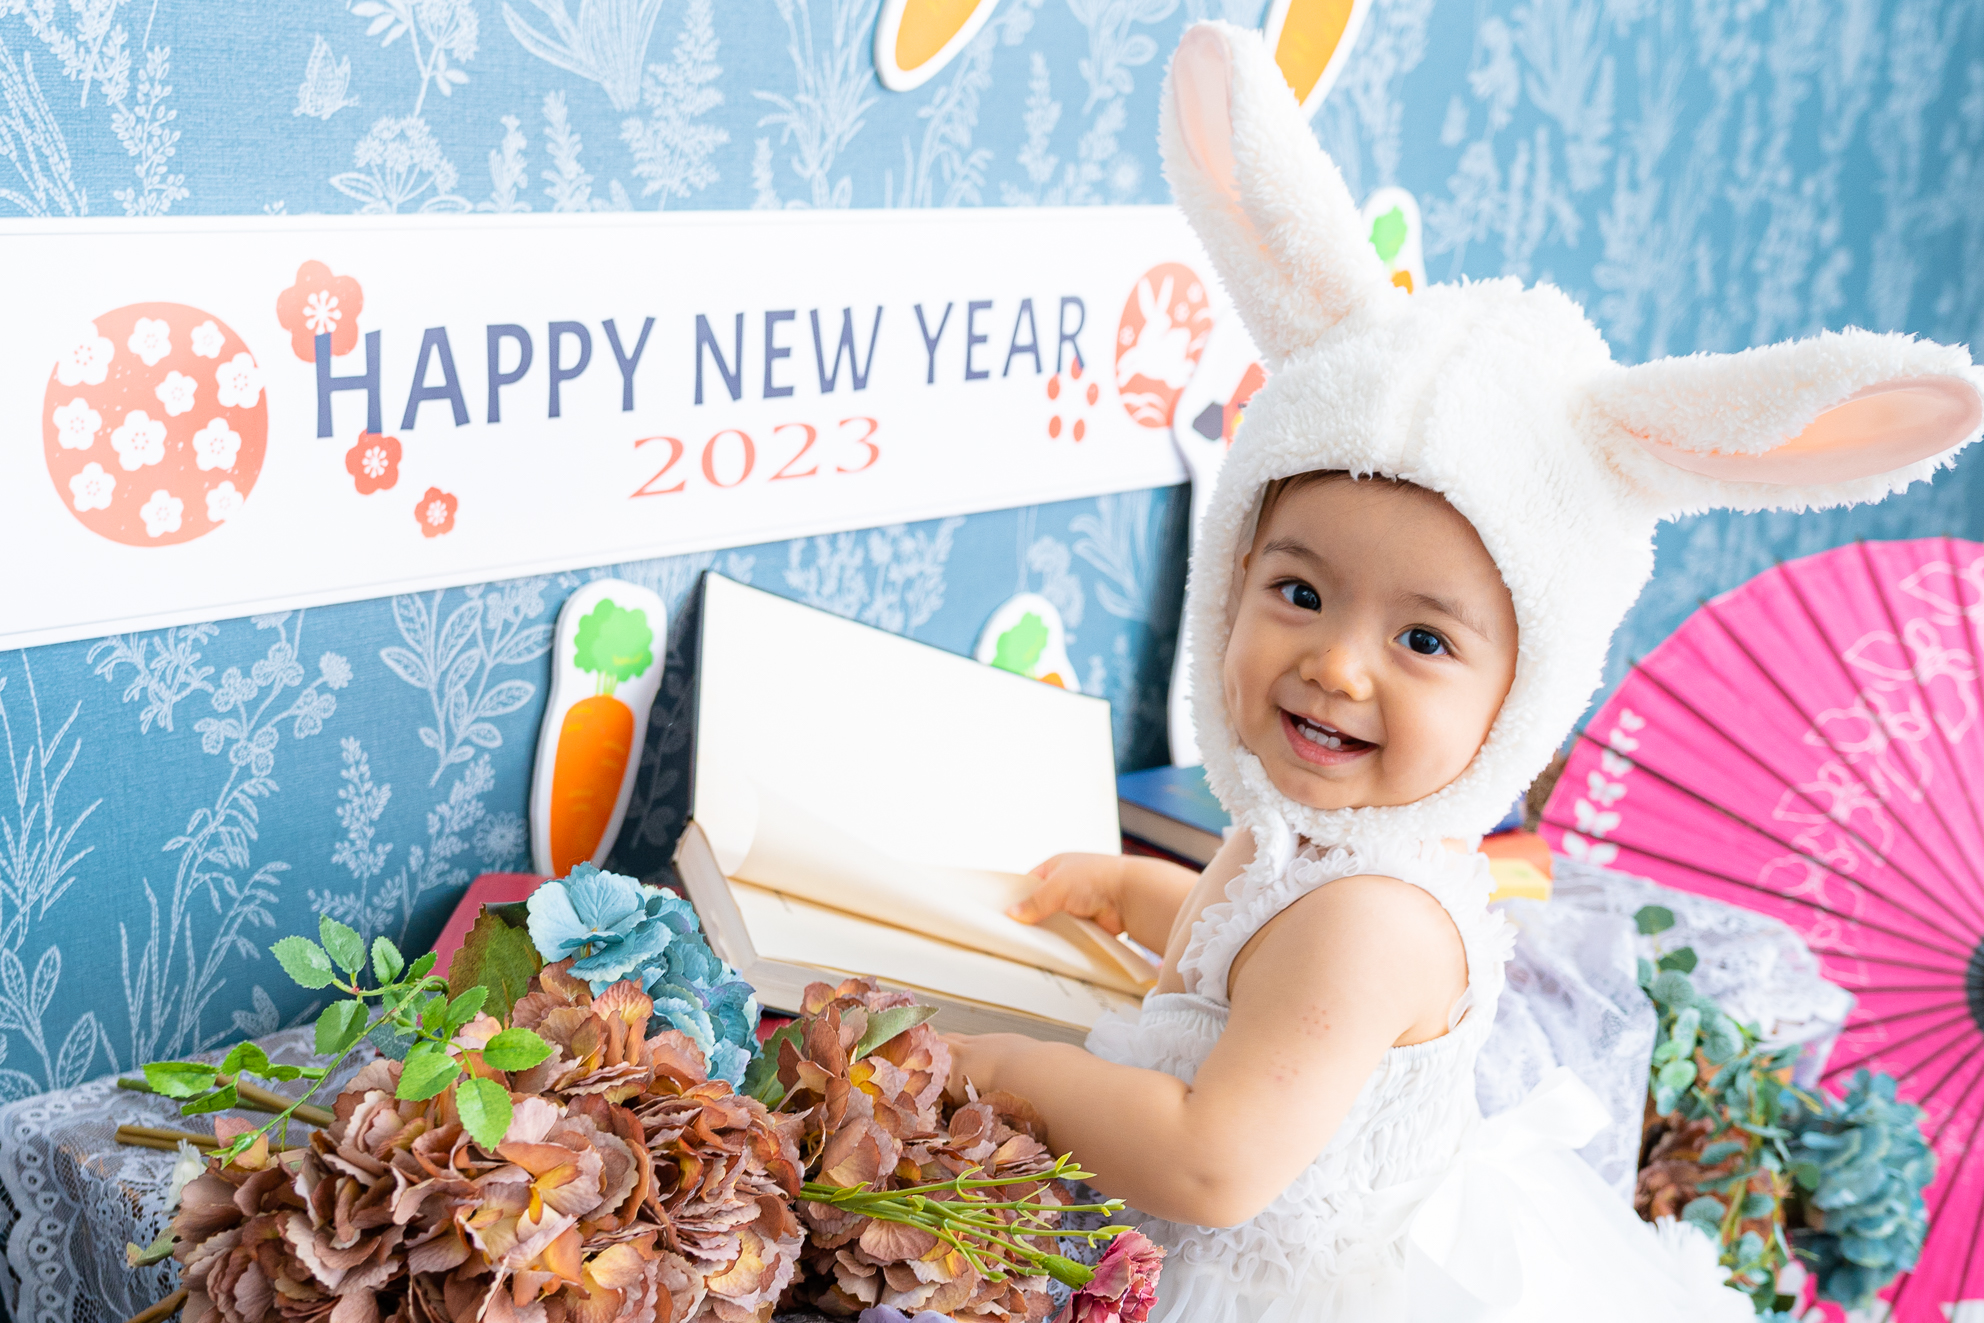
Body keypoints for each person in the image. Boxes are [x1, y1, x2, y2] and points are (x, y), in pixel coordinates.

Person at [943, 20, 1984, 1322]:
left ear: (1522, 694)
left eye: (1424, 640)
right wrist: (1131, 892)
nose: (1335, 664)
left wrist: (1012, 1072)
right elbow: (1243, 969)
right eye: (1299, 592)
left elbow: (1212, 1167)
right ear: (1231, 577)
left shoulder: (1368, 919)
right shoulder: (1328, 845)